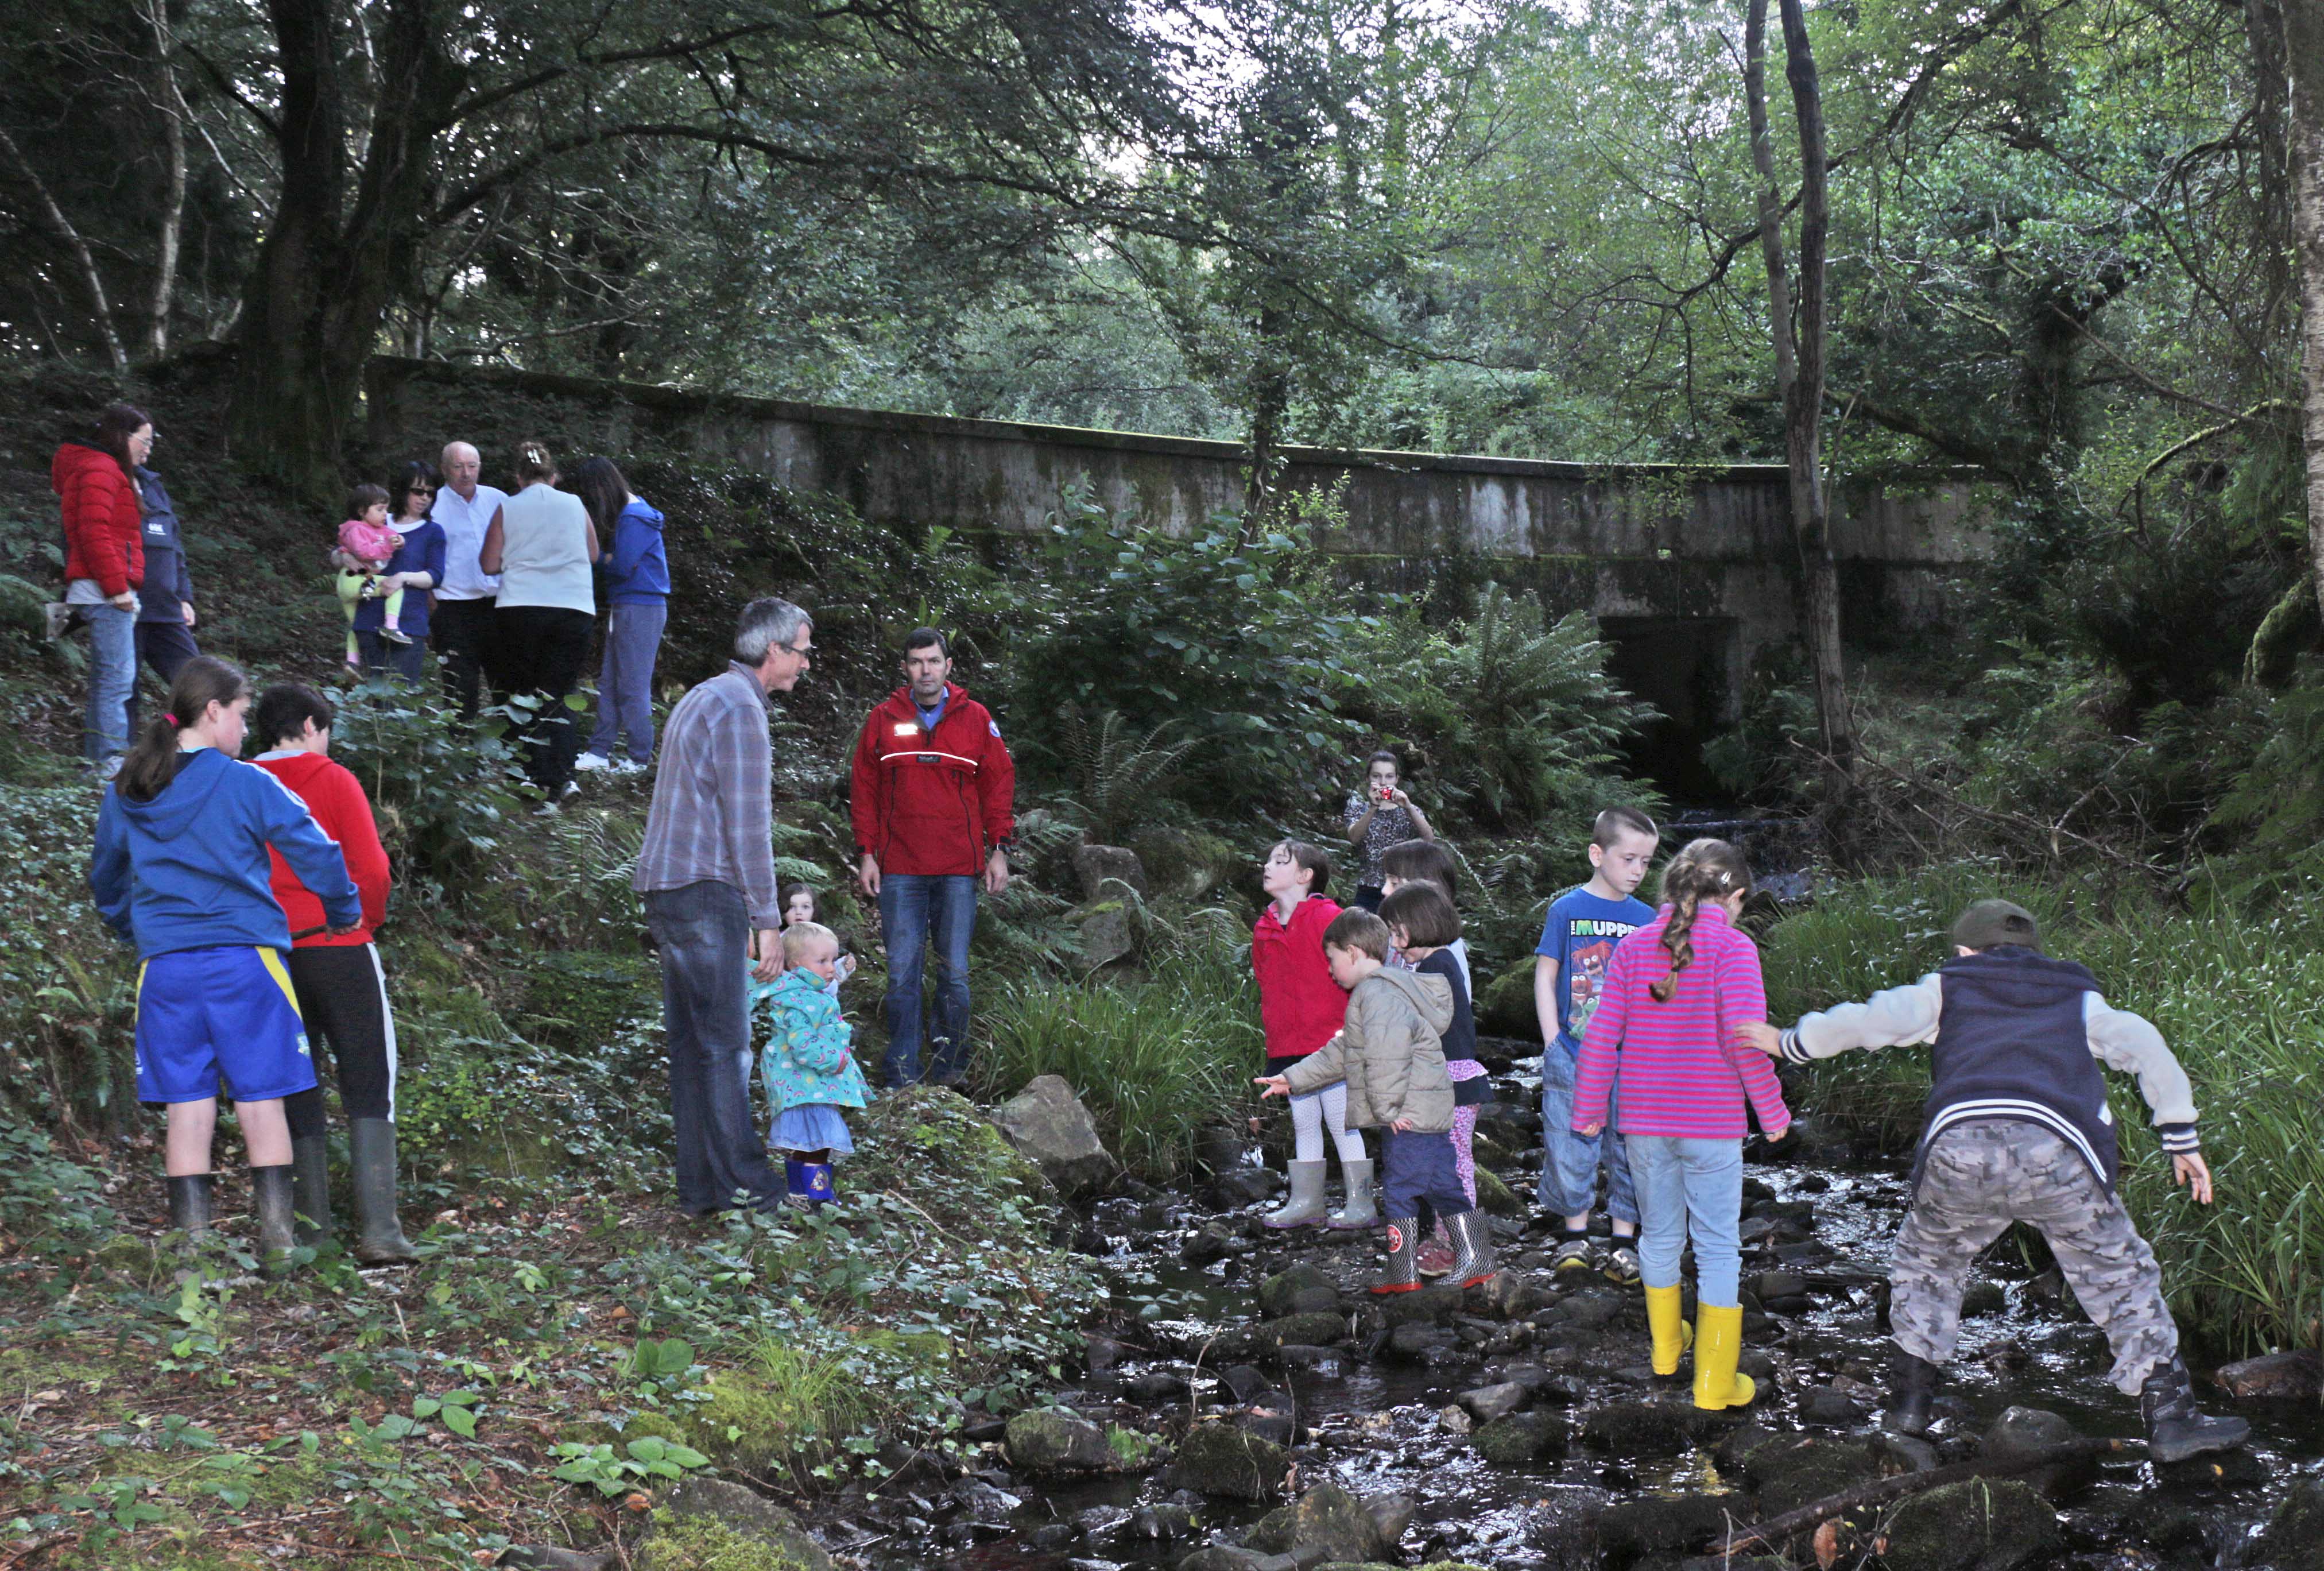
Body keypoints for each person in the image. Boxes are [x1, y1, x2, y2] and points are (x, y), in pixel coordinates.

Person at [1740, 899, 2249, 1462]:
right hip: (2055, 1151)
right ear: (2033, 951)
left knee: (1928, 1265)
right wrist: (2179, 1136)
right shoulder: (2075, 997)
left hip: (1961, 1151)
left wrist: (1791, 1042)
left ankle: (1910, 1407)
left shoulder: (1946, 988)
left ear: (1963, 950)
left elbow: (1869, 1020)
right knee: (2118, 1274)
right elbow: (2143, 1044)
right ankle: (2172, 1419)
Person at [88, 657, 361, 1267]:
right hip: (246, 964)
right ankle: (278, 1249)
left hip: (166, 970)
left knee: (188, 1109)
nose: (245, 730)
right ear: (213, 712)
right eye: (240, 716)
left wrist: (134, 928)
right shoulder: (247, 783)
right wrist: (342, 908)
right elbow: (316, 850)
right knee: (262, 1102)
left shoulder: (130, 788)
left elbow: (106, 880)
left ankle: (192, 1260)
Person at [1572, 837, 1787, 1412]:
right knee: (1718, 1247)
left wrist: (1589, 1110)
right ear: (1735, 896)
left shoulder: (1635, 946)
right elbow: (1745, 1043)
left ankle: (1667, 1353)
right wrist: (1771, 1112)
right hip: (1711, 1123)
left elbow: (1600, 1037)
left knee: (1660, 1236)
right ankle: (1715, 1385)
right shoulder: (1734, 948)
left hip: (1642, 1121)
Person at [633, 597, 815, 1215]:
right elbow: (748, 826)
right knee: (727, 1046)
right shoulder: (740, 709)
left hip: (667, 888)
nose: (806, 665)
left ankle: (702, 1191)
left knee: (692, 1047)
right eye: (803, 652)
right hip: (706, 890)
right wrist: (767, 920)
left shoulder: (703, 695)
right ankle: (753, 1188)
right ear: (775, 652)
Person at [250, 683, 420, 1265]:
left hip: (270, 954)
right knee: (370, 1078)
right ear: (308, 724)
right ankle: (380, 1230)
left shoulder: (240, 783)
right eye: (325, 727)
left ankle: (312, 1234)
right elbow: (370, 866)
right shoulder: (333, 778)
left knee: (295, 1081)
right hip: (339, 943)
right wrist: (364, 920)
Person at [1257, 908, 1493, 1294]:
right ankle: (1478, 1261)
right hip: (1430, 1107)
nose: (1331, 971)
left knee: (1401, 1189)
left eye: (1332, 960)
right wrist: (1294, 1078)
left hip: (1408, 1112)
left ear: (1353, 953)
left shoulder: (1376, 994)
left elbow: (1387, 1055)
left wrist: (1388, 1111)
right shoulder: (1391, 988)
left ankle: (1403, 1274)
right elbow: (1345, 1050)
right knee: (1444, 1185)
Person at [848, 628, 1016, 1089]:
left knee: (955, 976)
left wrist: (998, 849)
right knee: (902, 974)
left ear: (948, 666)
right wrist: (867, 854)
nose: (926, 670)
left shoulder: (976, 719)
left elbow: (999, 786)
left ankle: (950, 1068)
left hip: (959, 871)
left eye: (934, 661)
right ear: (906, 669)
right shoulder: (883, 719)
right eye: (917, 662)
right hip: (901, 868)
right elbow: (863, 792)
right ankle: (901, 1072)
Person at [1536, 805, 1660, 1283]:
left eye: (1646, 862)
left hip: (1632, 1060)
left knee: (1630, 1146)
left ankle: (1625, 1239)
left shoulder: (1647, 919)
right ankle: (1575, 1235)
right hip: (1574, 1051)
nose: (1637, 870)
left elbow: (1654, 990)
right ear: (1596, 854)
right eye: (1629, 858)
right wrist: (1552, 1040)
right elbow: (1546, 975)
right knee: (1570, 1142)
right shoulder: (1566, 910)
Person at [1251, 839, 1372, 1231]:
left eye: (1280, 861)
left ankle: (1361, 1201)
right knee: (1304, 1120)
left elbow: (1355, 969)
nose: (1267, 866)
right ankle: (1307, 1202)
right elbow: (1264, 978)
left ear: (1305, 876)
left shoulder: (1328, 917)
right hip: (1287, 1043)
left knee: (1341, 1120)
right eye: (1268, 859)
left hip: (1330, 1040)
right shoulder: (1264, 926)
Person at [479, 440, 599, 808]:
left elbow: (488, 564)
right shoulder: (576, 505)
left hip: (522, 608)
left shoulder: (507, 507)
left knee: (524, 691)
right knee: (559, 691)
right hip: (573, 607)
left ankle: (531, 778)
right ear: (554, 476)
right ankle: (565, 778)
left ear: (518, 477)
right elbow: (593, 554)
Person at [1380, 880, 1489, 1278]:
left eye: (1396, 931)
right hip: (1441, 1083)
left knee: (1455, 1165)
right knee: (1439, 1164)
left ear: (1420, 924)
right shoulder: (1429, 965)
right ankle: (1446, 1243)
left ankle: (1460, 1246)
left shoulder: (1436, 966)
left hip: (1452, 1083)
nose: (1393, 940)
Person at [55, 403, 151, 773]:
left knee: (109, 678)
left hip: (101, 588)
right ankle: (108, 762)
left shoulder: (101, 468)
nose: (148, 448)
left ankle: (100, 759)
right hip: (104, 591)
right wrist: (117, 589)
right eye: (145, 440)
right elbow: (93, 532)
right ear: (122, 436)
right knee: (116, 679)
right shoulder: (100, 469)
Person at [750, 921, 872, 1210]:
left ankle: (800, 1194)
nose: (831, 968)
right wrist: (836, 1060)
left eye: (832, 959)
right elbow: (803, 1046)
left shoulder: (807, 995)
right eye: (822, 961)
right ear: (795, 964)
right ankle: (818, 1197)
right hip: (806, 1085)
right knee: (818, 1145)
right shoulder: (800, 1000)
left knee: (804, 1142)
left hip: (805, 1086)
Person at [572, 456, 670, 775]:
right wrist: (609, 557)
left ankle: (639, 758)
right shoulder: (633, 514)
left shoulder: (634, 517)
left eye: (592, 493)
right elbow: (622, 564)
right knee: (611, 681)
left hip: (640, 607)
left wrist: (596, 557)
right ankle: (599, 752)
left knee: (633, 685)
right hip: (628, 604)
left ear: (601, 486)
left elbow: (621, 565)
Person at [428, 441, 507, 717]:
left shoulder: (498, 500)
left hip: (498, 603)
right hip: (453, 606)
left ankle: (512, 749)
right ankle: (461, 746)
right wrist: (432, 606)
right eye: (458, 466)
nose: (466, 473)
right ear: (444, 469)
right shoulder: (433, 506)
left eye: (472, 466)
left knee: (507, 679)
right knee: (460, 685)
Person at [349, 462, 447, 684]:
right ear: (403, 490)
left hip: (409, 625)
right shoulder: (378, 520)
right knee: (376, 700)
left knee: (399, 701)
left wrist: (403, 578)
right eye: (418, 491)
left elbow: (436, 575)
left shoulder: (433, 532)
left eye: (430, 493)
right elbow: (343, 549)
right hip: (369, 620)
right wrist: (344, 558)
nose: (424, 498)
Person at [126, 445, 200, 732]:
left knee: (198, 683)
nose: (147, 450)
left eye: (151, 443)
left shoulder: (153, 486)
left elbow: (175, 548)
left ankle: (201, 751)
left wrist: (184, 597)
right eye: (142, 441)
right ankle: (118, 759)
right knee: (124, 690)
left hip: (166, 609)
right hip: (126, 605)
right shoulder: (109, 480)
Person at [1342, 750, 1434, 911]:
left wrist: (1409, 807)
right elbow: (1354, 838)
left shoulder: (1410, 810)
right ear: (1368, 778)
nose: (1383, 782)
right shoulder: (1357, 808)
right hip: (1368, 891)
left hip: (1403, 890)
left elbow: (1429, 840)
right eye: (1377, 776)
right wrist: (1373, 807)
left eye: (1389, 776)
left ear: (1397, 779)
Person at [1380, 839, 1470, 996]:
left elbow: (1457, 1006)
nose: (1384, 890)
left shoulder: (1446, 950)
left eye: (1394, 883)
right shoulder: (1394, 935)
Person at [335, 483, 413, 665]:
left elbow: (391, 534)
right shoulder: (355, 529)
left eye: (386, 509)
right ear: (362, 511)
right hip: (354, 580)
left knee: (357, 625)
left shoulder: (378, 529)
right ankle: (392, 626)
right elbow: (364, 552)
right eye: (379, 509)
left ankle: (352, 663)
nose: (385, 514)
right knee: (394, 585)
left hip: (355, 584)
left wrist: (399, 540)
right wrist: (387, 546)